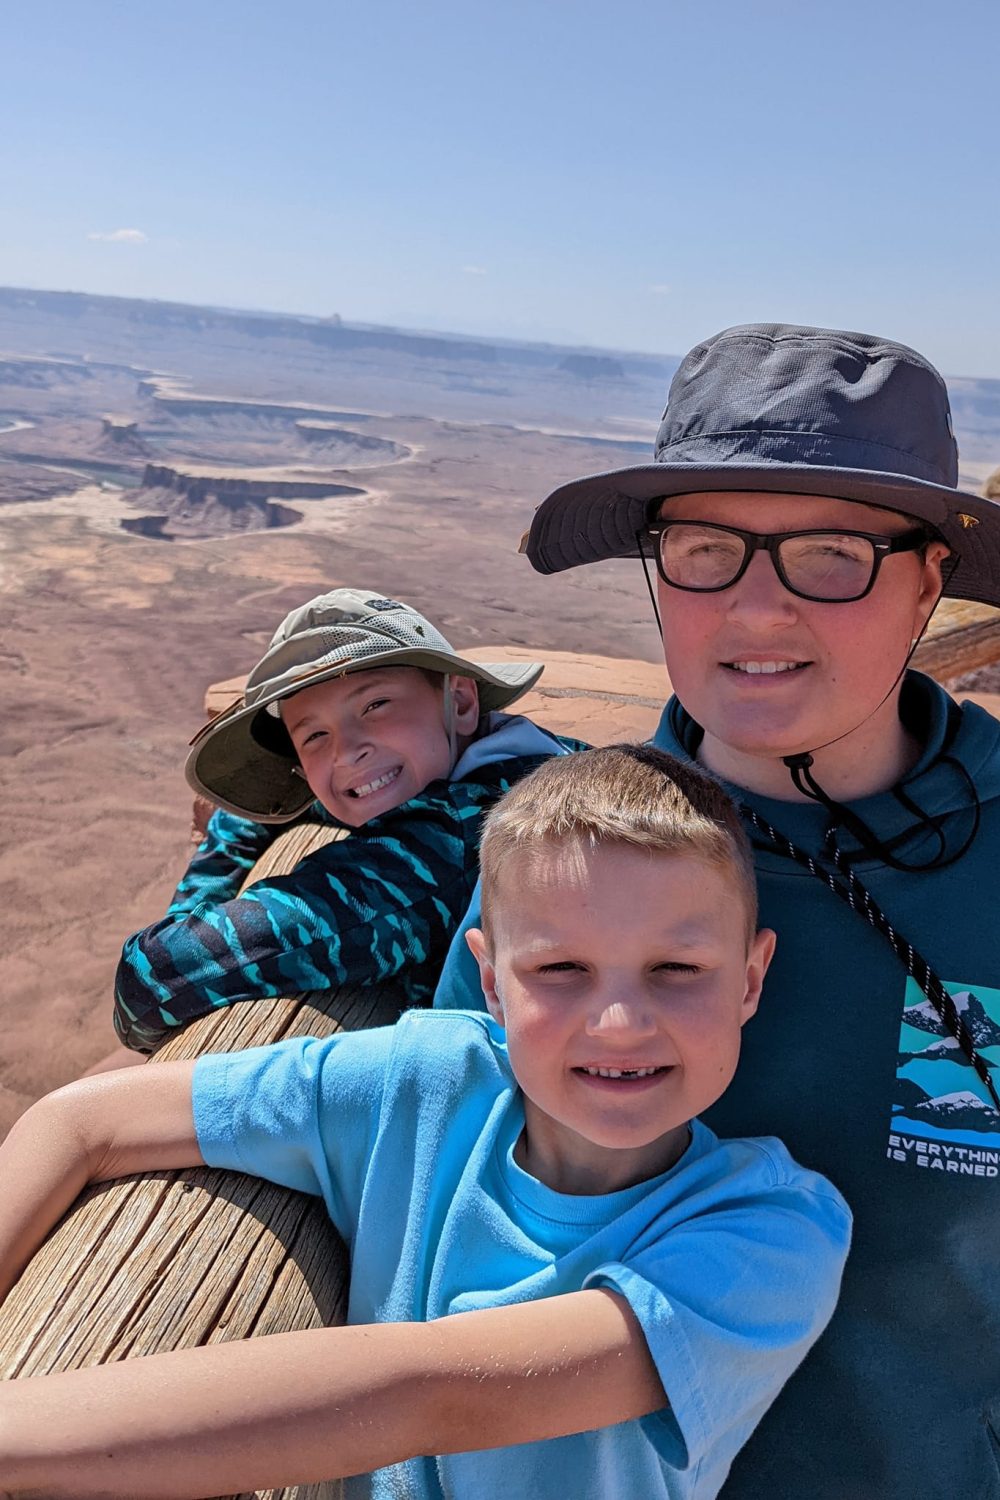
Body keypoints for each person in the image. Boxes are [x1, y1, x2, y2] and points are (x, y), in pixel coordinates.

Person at [433, 322, 1000, 1497]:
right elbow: (454, 1174)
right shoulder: (565, 864)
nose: (754, 613)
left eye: (832, 555)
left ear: (928, 583)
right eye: (703, 550)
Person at [0, 745, 849, 1500]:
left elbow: (437, 1391)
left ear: (749, 978)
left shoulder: (773, 1235)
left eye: (675, 968)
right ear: (489, 979)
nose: (620, 1022)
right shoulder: (433, 1081)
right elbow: (81, 1122)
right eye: (560, 968)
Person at [113, 587, 578, 1053]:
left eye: (374, 705)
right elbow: (273, 811)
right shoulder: (526, 763)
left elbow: (150, 983)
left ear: (459, 702)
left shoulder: (445, 845)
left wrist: (185, 916)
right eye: (314, 735)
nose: (347, 751)